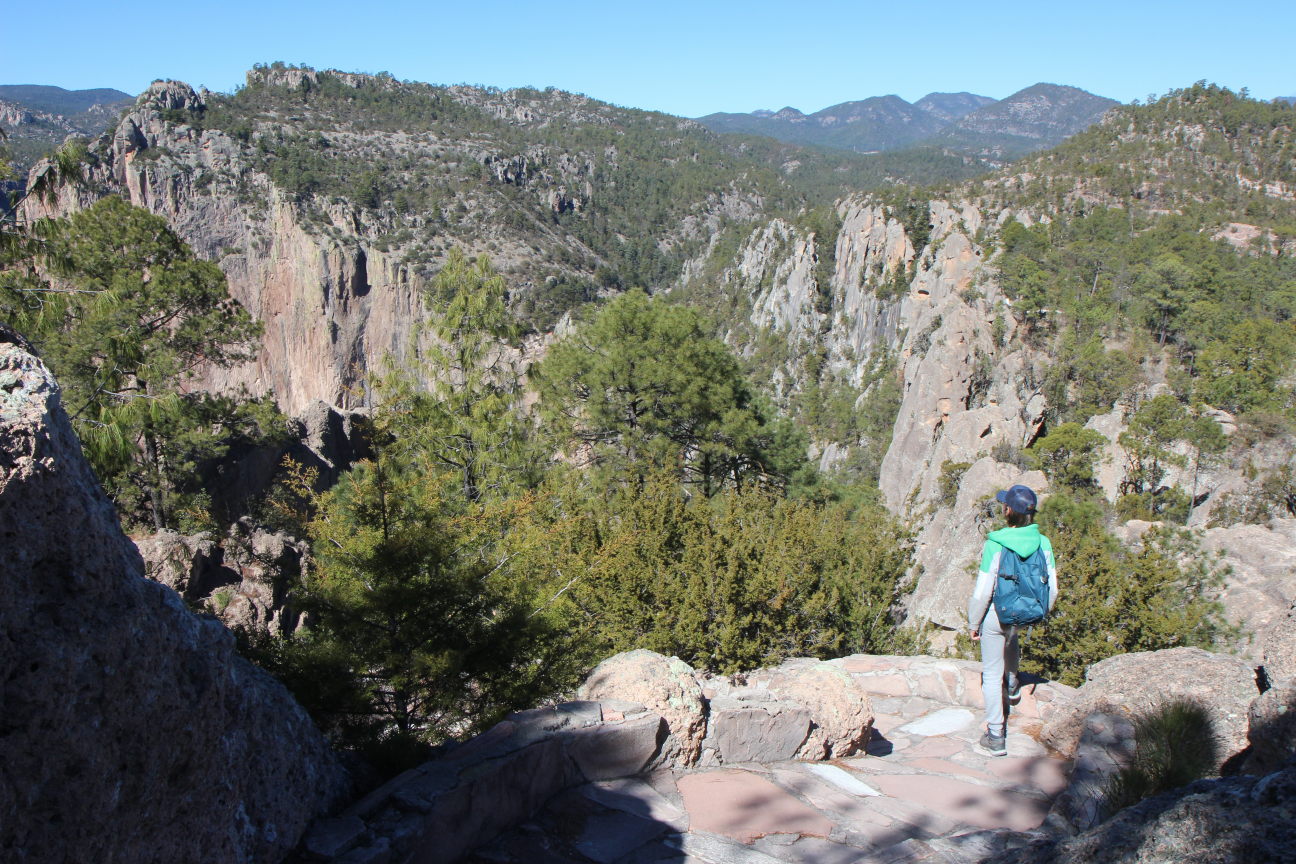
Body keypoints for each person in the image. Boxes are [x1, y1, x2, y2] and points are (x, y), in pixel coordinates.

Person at [967, 484, 1057, 756]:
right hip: (1027, 612)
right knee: (1013, 636)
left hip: (999, 613)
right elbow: (1053, 589)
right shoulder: (1043, 542)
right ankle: (1013, 684)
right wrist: (1040, 611)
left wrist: (974, 623)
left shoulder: (996, 542)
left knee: (990, 674)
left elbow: (983, 590)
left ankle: (995, 735)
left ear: (1008, 511)